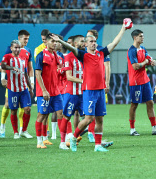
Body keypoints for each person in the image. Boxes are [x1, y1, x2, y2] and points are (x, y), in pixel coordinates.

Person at [51, 20, 128, 152]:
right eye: (90, 42)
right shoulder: (83, 55)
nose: (93, 43)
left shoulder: (101, 53)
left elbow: (114, 43)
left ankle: (97, 145)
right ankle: (74, 138)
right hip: (89, 91)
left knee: (100, 120)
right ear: (86, 44)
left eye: (94, 41)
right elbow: (71, 48)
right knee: (88, 119)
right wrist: (60, 41)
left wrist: (123, 28)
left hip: (100, 91)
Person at [127, 29, 156, 136]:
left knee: (150, 103)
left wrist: (152, 61)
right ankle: (132, 129)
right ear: (135, 38)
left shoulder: (143, 49)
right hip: (135, 82)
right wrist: (145, 62)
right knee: (134, 104)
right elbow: (135, 66)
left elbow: (149, 58)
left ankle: (154, 127)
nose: (143, 38)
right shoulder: (131, 51)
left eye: (143, 36)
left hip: (145, 81)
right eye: (141, 36)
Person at [0, 30, 34, 138]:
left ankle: (24, 130)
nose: (17, 49)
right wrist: (5, 75)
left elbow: (26, 73)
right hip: (12, 88)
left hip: (24, 88)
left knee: (27, 109)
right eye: (15, 47)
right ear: (11, 48)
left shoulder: (23, 59)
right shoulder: (8, 56)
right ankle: (14, 132)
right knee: (13, 109)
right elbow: (3, 66)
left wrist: (31, 87)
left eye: (18, 48)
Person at [35, 33, 63, 149]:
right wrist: (44, 90)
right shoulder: (40, 55)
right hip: (44, 92)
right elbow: (37, 73)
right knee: (42, 115)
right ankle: (39, 141)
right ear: (46, 42)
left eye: (55, 41)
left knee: (61, 113)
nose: (55, 43)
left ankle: (64, 139)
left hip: (56, 91)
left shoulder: (56, 55)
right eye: (52, 41)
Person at [58, 35, 85, 150]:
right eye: (82, 41)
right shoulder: (69, 57)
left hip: (83, 93)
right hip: (72, 93)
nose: (84, 43)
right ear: (74, 44)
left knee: (90, 117)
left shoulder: (84, 56)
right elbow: (69, 77)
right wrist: (84, 81)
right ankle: (62, 142)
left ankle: (94, 140)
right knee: (66, 117)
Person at [85, 29, 111, 143]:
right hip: (88, 85)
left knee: (98, 112)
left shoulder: (101, 50)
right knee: (88, 112)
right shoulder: (85, 51)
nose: (88, 40)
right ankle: (87, 133)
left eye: (89, 37)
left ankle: (93, 134)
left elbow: (107, 66)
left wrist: (107, 83)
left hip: (100, 85)